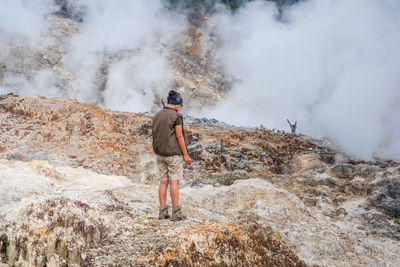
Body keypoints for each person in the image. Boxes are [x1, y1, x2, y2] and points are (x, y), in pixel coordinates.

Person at [152, 90, 191, 221]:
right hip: (173, 155)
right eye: (181, 105)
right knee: (174, 182)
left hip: (160, 154)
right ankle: (176, 213)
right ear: (177, 103)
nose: (180, 107)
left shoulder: (157, 115)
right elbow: (179, 136)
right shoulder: (177, 116)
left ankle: (162, 212)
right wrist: (186, 155)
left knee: (163, 183)